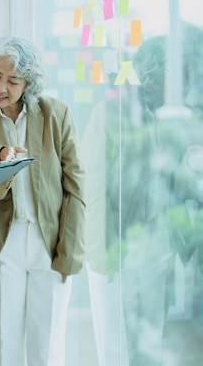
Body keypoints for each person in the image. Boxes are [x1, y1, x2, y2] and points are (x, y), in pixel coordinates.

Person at [0, 35, 85, 366]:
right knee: (5, 345)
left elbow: (76, 187)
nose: (0, 86)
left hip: (49, 240)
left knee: (48, 346)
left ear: (28, 84)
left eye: (13, 80)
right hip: (1, 240)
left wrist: (69, 252)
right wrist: (3, 166)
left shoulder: (57, 113)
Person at [82, 35, 194, 366]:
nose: (185, 84)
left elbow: (175, 177)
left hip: (160, 245)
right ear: (154, 76)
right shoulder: (111, 114)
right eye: (179, 76)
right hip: (117, 244)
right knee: (116, 347)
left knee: (152, 342)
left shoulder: (173, 117)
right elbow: (93, 186)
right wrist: (101, 254)